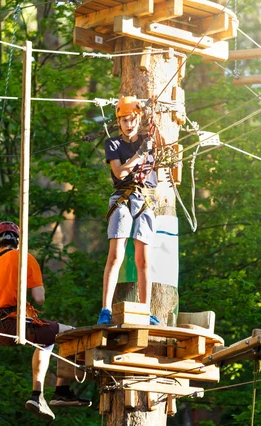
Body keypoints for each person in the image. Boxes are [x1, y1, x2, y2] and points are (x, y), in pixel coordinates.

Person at [0, 221, 90, 421]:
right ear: (17, 242)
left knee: (47, 339)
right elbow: (39, 298)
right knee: (72, 334)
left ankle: (48, 394)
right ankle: (53, 393)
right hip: (15, 325)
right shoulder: (26, 259)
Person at [98, 96, 160, 326]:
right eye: (124, 120)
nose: (128, 124)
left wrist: (152, 111)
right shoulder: (113, 144)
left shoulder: (149, 139)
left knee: (144, 258)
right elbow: (120, 173)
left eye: (132, 119)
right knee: (116, 255)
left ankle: (146, 310)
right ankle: (105, 309)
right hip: (122, 199)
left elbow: (160, 138)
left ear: (138, 119)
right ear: (119, 122)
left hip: (145, 199)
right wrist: (139, 155)